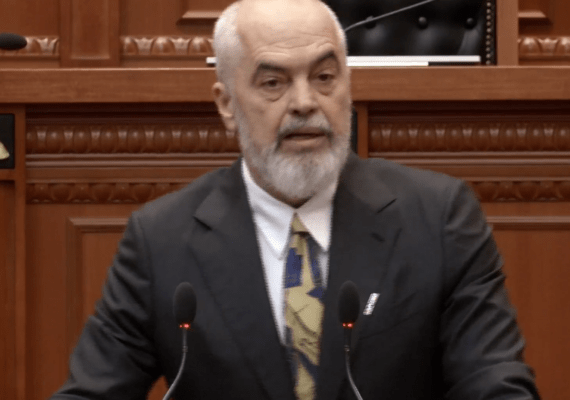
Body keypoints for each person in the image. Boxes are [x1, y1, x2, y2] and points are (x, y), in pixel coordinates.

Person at [51, 0, 541, 399]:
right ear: (226, 104)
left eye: (324, 78)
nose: (305, 103)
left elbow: (496, 384)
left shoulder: (438, 218)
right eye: (274, 83)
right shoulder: (161, 240)